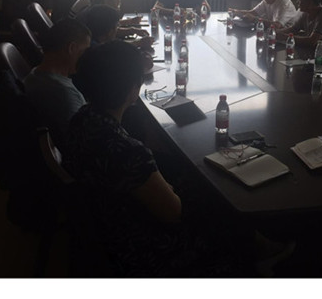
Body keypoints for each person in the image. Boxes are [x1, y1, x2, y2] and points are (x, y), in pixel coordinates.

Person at [64, 40, 252, 276]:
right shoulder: (129, 152)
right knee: (222, 203)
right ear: (132, 89)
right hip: (142, 251)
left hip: (103, 229)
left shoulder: (80, 120)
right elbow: (174, 213)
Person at [23, 18, 91, 151]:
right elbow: (83, 144)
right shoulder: (64, 94)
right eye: (84, 52)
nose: (86, 58)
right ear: (71, 48)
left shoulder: (35, 74)